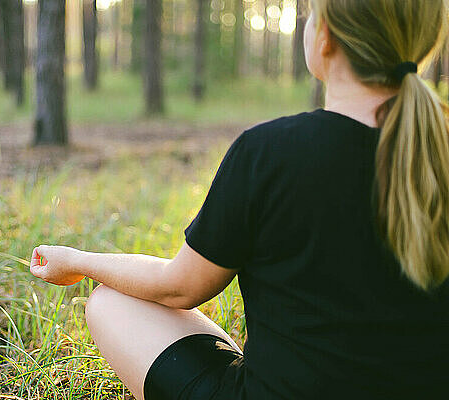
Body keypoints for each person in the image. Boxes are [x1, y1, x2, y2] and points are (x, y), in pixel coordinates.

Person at [29, 0, 449, 398]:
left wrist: (78, 261)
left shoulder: (269, 151)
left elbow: (177, 289)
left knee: (111, 302)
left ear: (325, 37)